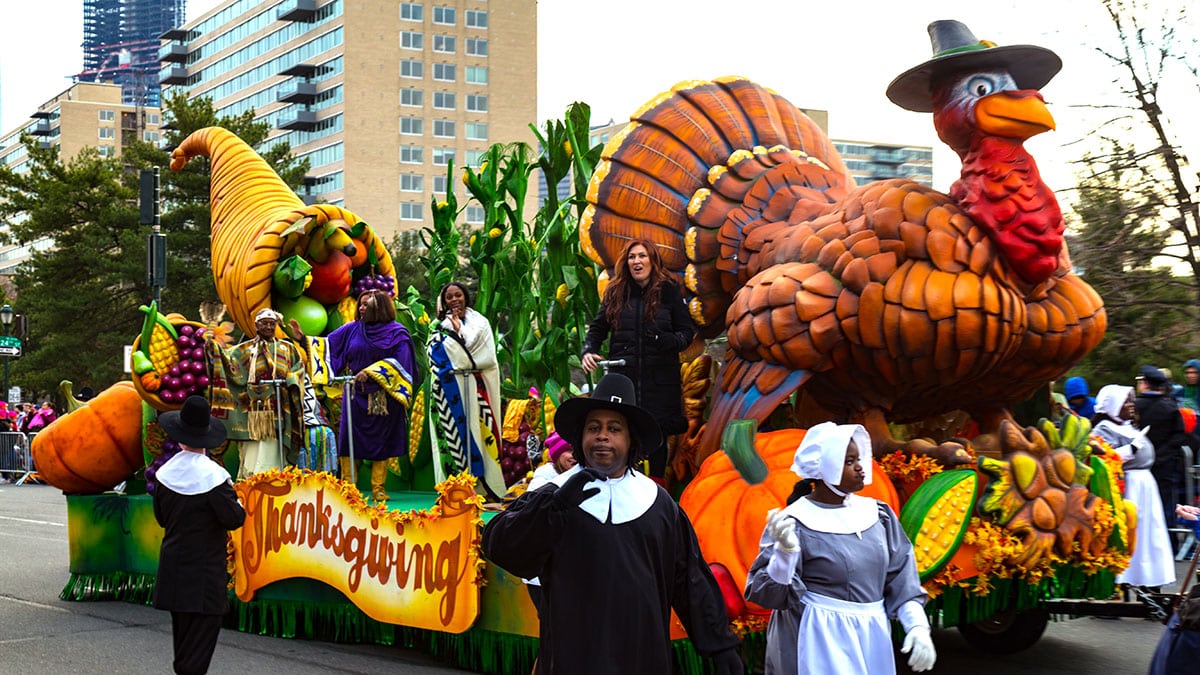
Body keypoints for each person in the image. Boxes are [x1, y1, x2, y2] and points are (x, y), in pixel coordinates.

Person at [481, 373, 743, 675]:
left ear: (631, 440)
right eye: (594, 428)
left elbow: (690, 580)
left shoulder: (658, 505)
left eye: (614, 429)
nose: (602, 436)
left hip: (642, 659)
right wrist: (553, 509)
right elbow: (502, 546)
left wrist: (719, 645)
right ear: (580, 438)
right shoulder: (554, 497)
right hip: (572, 660)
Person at [744, 422, 935, 675]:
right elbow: (769, 596)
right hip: (817, 637)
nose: (859, 467)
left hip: (871, 634)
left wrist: (917, 626)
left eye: (859, 458)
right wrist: (784, 558)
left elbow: (900, 575)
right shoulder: (793, 523)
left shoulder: (878, 515)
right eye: (848, 461)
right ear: (824, 468)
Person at [581, 239, 695, 480]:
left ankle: (655, 493)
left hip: (660, 381)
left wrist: (666, 340)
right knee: (624, 434)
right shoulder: (616, 292)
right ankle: (619, 486)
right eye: (632, 257)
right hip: (625, 379)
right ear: (627, 262)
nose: (637, 261)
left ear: (652, 261)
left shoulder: (669, 291)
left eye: (642, 256)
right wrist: (589, 350)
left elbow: (686, 333)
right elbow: (598, 328)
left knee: (656, 438)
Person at [151, 395, 246, 675]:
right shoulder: (214, 477)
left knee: (183, 646)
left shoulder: (165, 474)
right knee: (199, 650)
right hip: (205, 573)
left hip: (173, 567)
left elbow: (161, 518)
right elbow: (234, 518)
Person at [296, 289, 416, 503]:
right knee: (348, 439)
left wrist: (371, 372)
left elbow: (402, 361)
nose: (361, 308)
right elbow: (327, 346)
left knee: (382, 440)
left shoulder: (398, 332)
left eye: (366, 304)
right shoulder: (352, 329)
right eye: (360, 304)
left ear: (380, 307)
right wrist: (302, 338)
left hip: (383, 398)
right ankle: (349, 486)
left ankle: (378, 488)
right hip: (355, 395)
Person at [204, 307, 307, 480]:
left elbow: (299, 369)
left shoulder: (288, 349)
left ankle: (277, 483)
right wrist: (212, 346)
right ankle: (253, 484)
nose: (268, 327)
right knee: (253, 458)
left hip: (280, 411)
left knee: (276, 454)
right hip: (253, 413)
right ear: (256, 326)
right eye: (264, 323)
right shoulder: (244, 349)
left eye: (272, 324)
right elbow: (228, 364)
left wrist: (290, 380)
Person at [1091, 385, 1175, 589]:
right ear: (1112, 405)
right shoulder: (1103, 428)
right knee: (1131, 533)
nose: (1131, 405)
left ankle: (1150, 580)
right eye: (1125, 401)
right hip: (1128, 486)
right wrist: (1131, 448)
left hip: (1145, 485)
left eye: (1131, 400)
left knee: (1150, 533)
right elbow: (1103, 458)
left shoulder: (1129, 426)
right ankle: (1124, 580)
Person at [428, 282, 506, 498]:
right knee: (451, 440)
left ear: (466, 298)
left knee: (481, 435)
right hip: (447, 393)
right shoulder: (436, 326)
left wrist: (458, 333)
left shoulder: (481, 324)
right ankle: (454, 491)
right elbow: (434, 355)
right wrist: (450, 332)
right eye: (449, 297)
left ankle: (483, 489)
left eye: (458, 295)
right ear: (443, 302)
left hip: (475, 391)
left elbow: (486, 357)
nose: (454, 300)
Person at [1135, 365, 1190, 553]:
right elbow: (1179, 435)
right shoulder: (1170, 407)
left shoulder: (1135, 406)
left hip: (1137, 465)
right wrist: (1162, 453)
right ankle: (1168, 546)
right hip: (1164, 464)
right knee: (1165, 504)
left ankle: (1141, 547)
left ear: (1146, 384)